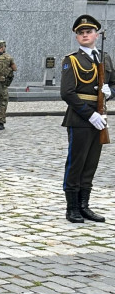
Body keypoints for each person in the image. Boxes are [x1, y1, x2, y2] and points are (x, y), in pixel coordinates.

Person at [60, 14, 114, 224]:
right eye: (81, 33)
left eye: (88, 32)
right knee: (76, 163)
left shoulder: (105, 57)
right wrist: (89, 114)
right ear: (77, 37)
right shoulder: (71, 60)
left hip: (100, 117)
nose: (85, 35)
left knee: (91, 163)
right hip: (80, 118)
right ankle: (72, 207)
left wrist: (110, 93)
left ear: (96, 34)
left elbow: (114, 83)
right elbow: (67, 93)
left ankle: (84, 205)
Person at [0, 40, 17, 130]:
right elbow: (15, 68)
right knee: (3, 104)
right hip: (2, 85)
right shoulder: (8, 57)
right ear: (3, 47)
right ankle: (1, 123)